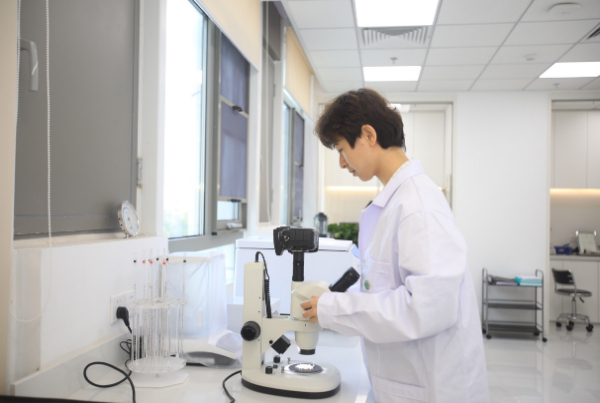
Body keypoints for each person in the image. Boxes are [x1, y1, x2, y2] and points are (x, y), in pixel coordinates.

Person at [301, 88, 489, 403]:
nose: (341, 163)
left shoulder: (418, 206)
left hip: (433, 390)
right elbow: (388, 289)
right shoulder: (396, 201)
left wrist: (334, 309)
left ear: (368, 135)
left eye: (342, 149)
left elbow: (426, 309)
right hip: (404, 382)